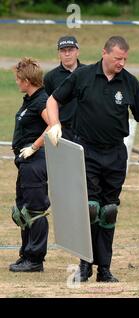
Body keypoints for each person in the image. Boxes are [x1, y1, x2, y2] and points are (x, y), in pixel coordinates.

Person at [46, 36, 139, 282]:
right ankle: (85, 263)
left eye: (125, 59)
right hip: (87, 151)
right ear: (104, 53)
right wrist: (55, 124)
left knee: (109, 210)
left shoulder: (130, 83)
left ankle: (104, 268)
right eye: (117, 58)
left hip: (115, 153)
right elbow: (53, 100)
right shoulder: (83, 76)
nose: (121, 63)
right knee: (91, 209)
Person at [9, 58, 51, 272]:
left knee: (35, 210)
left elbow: (53, 126)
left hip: (36, 162)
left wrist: (34, 147)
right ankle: (26, 254)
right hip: (25, 163)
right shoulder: (30, 99)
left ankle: (35, 259)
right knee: (23, 210)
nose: (16, 83)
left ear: (27, 80)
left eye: (18, 79)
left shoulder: (41, 101)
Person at [44, 36, 85, 140]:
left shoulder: (88, 72)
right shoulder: (50, 77)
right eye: (63, 51)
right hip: (62, 130)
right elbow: (47, 105)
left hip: (86, 130)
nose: (67, 54)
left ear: (77, 52)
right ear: (58, 54)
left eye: (70, 50)